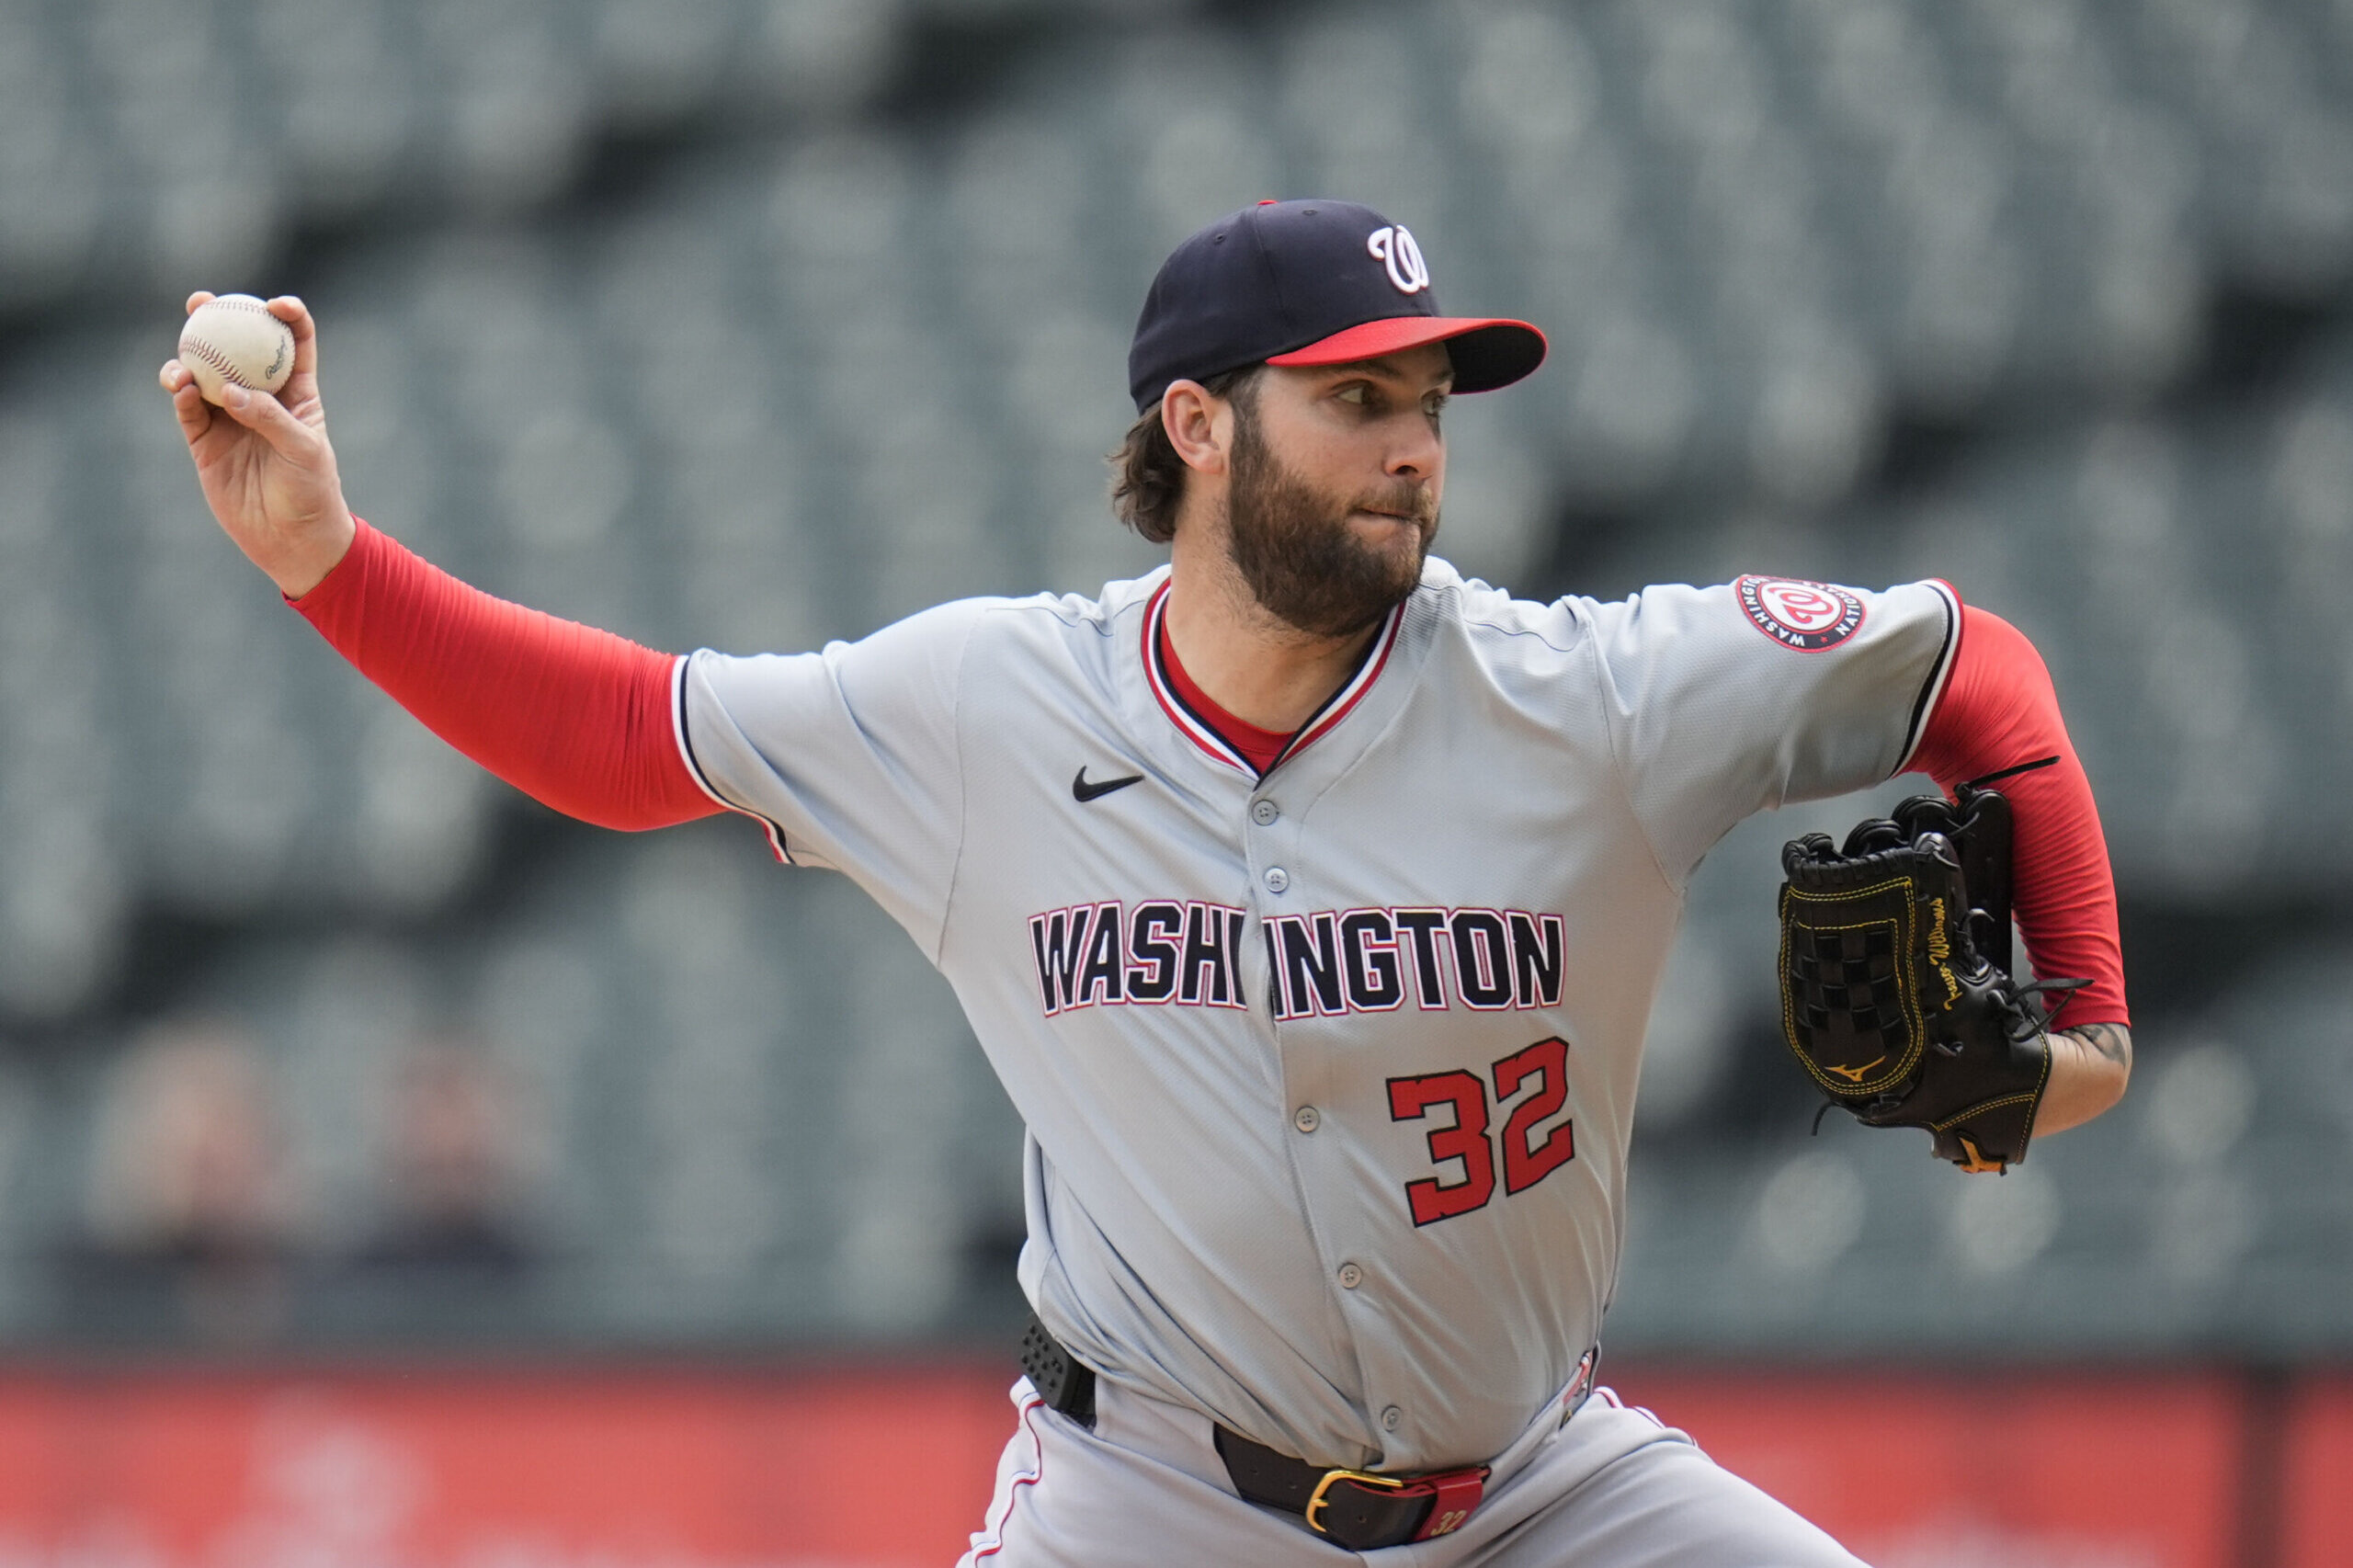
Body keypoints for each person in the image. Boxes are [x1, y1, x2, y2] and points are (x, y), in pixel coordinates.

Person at [162, 199, 2131, 1566]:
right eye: (1354, 399)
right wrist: (328, 566)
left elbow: (1974, 670)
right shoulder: (988, 709)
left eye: (1429, 405)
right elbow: (619, 736)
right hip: (1151, 1504)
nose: (1411, 453)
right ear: (1194, 424)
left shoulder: (1590, 698)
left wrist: (2086, 1031)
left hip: (1542, 1496)